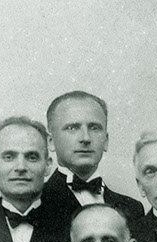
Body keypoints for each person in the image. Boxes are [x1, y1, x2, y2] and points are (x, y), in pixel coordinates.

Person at [44, 90, 144, 220]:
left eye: (94, 128)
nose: (85, 138)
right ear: (51, 141)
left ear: (106, 141)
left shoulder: (132, 208)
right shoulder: (35, 202)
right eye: (72, 128)